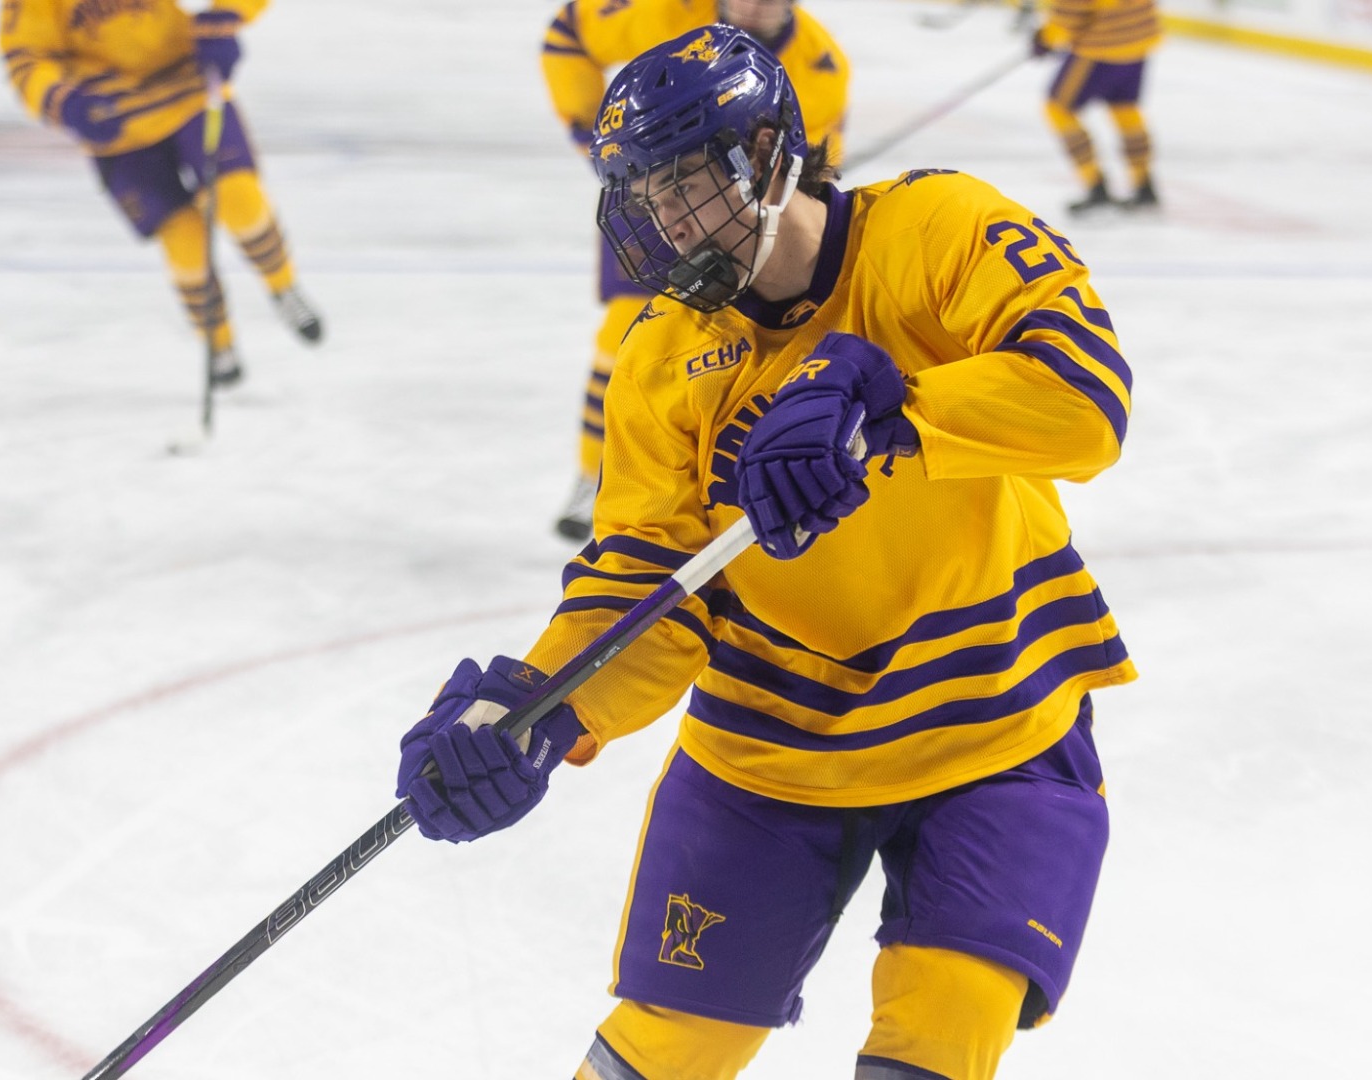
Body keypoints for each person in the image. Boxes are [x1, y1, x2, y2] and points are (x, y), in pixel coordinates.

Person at [397, 25, 1136, 1080]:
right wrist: (532, 709)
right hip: (769, 743)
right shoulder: (660, 356)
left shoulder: (938, 226)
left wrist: (892, 409)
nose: (662, 219)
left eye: (685, 184)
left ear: (770, 156)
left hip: (996, 725)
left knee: (931, 1047)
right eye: (643, 195)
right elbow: (649, 582)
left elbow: (1084, 396)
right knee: (657, 1058)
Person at [540, 0, 849, 541]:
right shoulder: (657, 10)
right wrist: (589, 132)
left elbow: (814, 161)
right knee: (627, 344)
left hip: (748, 220)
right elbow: (568, 36)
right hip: (657, 202)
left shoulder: (822, 62)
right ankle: (598, 475)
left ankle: (712, 475)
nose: (754, 5)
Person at [0, 0, 323, 388]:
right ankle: (218, 343)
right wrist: (64, 104)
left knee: (239, 199)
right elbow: (26, 54)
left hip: (188, 91)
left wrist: (227, 16)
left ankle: (282, 287)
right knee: (183, 238)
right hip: (115, 122)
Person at [1029, 0, 1163, 215]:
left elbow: (1070, 14)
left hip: (1100, 46)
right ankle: (1144, 184)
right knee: (1124, 107)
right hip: (1138, 38)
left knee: (1058, 108)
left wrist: (1046, 38)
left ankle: (1095, 184)